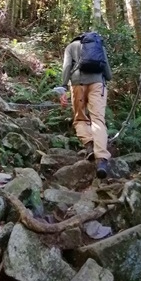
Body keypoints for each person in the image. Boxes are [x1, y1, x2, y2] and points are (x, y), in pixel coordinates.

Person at [59, 33, 113, 179]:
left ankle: (89, 145)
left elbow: (67, 67)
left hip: (78, 84)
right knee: (98, 120)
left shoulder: (70, 47)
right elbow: (108, 73)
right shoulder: (99, 46)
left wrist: (63, 87)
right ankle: (101, 160)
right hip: (97, 84)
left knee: (80, 119)